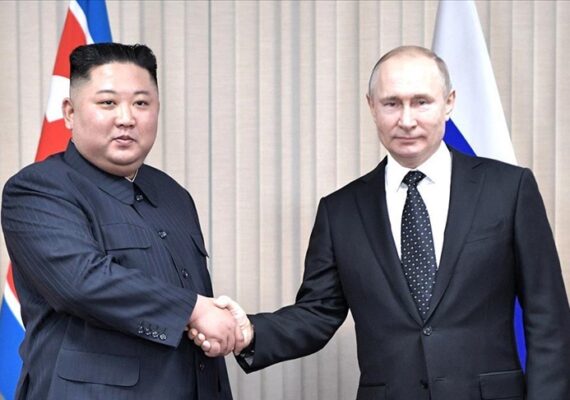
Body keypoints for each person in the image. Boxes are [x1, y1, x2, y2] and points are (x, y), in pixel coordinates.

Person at [192, 46, 570, 399]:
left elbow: (548, 317)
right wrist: (250, 331)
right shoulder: (340, 211)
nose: (406, 120)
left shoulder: (509, 188)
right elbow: (318, 313)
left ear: (449, 103)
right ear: (372, 107)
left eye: (421, 102)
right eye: (392, 103)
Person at [1, 43, 240, 399]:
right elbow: (82, 281)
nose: (126, 118)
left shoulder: (173, 194)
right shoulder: (37, 189)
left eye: (141, 103)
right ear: (69, 112)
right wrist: (193, 310)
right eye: (108, 103)